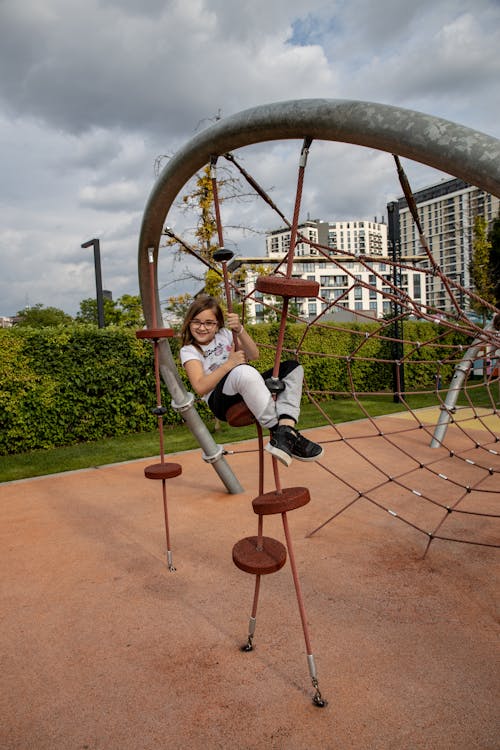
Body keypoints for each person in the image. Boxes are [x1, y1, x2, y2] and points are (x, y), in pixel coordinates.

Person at [179, 295, 323, 467]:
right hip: (220, 399)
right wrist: (229, 365)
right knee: (243, 371)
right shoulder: (189, 350)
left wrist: (239, 329)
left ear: (217, 324)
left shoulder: (225, 334)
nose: (202, 328)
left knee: (292, 368)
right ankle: (279, 430)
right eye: (197, 322)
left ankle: (286, 427)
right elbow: (200, 387)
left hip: (244, 382)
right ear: (189, 322)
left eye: (209, 323)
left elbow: (254, 354)